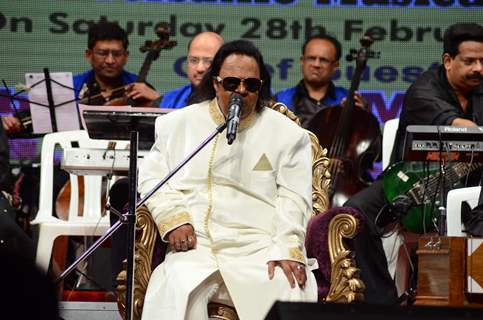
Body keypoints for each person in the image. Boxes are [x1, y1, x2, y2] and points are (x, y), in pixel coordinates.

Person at [138, 40, 318, 320]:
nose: (242, 91)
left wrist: (286, 246)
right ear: (216, 83)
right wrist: (173, 217)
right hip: (198, 245)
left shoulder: (287, 134)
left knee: (289, 287)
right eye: (232, 83)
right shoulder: (178, 125)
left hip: (259, 246)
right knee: (174, 284)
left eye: (252, 85)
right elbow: (152, 176)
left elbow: (295, 197)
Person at [344, 22, 483, 305]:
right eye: (469, 61)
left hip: (470, 184)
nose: (478, 68)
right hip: (409, 183)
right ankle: (381, 300)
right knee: (354, 214)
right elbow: (465, 129)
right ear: (448, 60)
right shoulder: (424, 89)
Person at [274, 34, 366, 128]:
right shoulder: (280, 100)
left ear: (335, 65)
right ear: (302, 61)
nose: (316, 64)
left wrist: (363, 118)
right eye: (311, 58)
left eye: (324, 60)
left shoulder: (349, 99)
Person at [74, 21, 161, 106]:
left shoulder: (140, 87)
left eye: (117, 54)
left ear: (126, 56)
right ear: (89, 55)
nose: (110, 61)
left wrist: (158, 98)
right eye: (102, 53)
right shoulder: (73, 87)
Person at [160, 31, 224, 108]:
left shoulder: (232, 102)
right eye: (194, 60)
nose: (200, 69)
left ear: (223, 63)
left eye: (208, 61)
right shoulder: (169, 100)